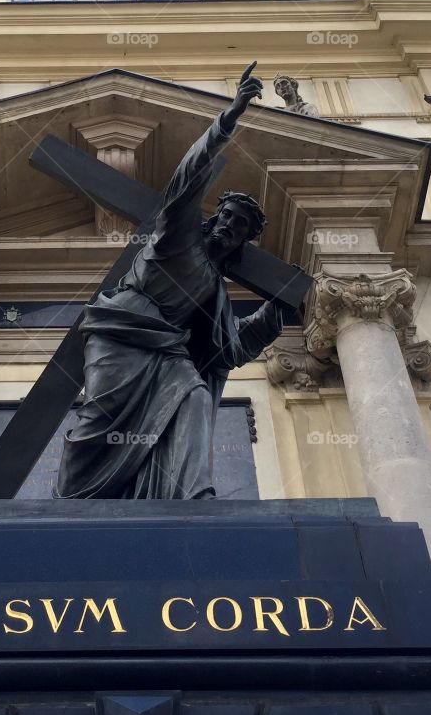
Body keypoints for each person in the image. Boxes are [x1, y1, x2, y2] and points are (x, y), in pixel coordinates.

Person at [57, 63, 285, 500]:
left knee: (194, 396)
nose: (229, 226)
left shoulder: (215, 289)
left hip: (167, 349)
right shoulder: (179, 237)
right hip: (120, 333)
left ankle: (194, 495)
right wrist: (226, 121)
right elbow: (188, 178)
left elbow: (229, 349)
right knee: (99, 420)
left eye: (239, 226)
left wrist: (278, 307)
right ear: (215, 217)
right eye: (227, 216)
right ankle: (70, 499)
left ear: (244, 241)